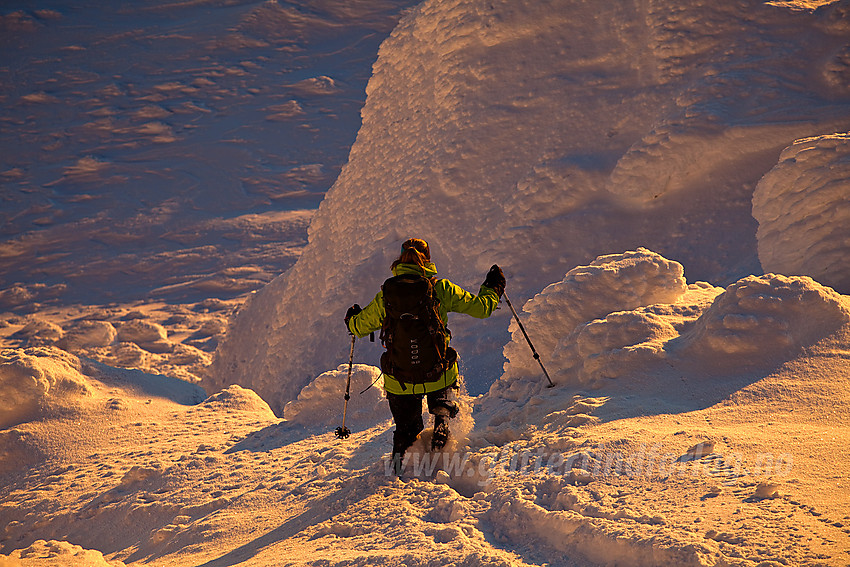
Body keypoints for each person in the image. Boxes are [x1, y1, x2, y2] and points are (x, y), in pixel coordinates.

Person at [345, 238, 505, 474]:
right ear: (427, 260)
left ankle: (400, 468)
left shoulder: (386, 295)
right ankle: (441, 412)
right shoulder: (440, 288)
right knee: (446, 360)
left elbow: (358, 328)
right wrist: (492, 288)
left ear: (400, 260)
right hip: (437, 373)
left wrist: (352, 318)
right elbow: (482, 308)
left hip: (399, 379)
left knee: (406, 429)